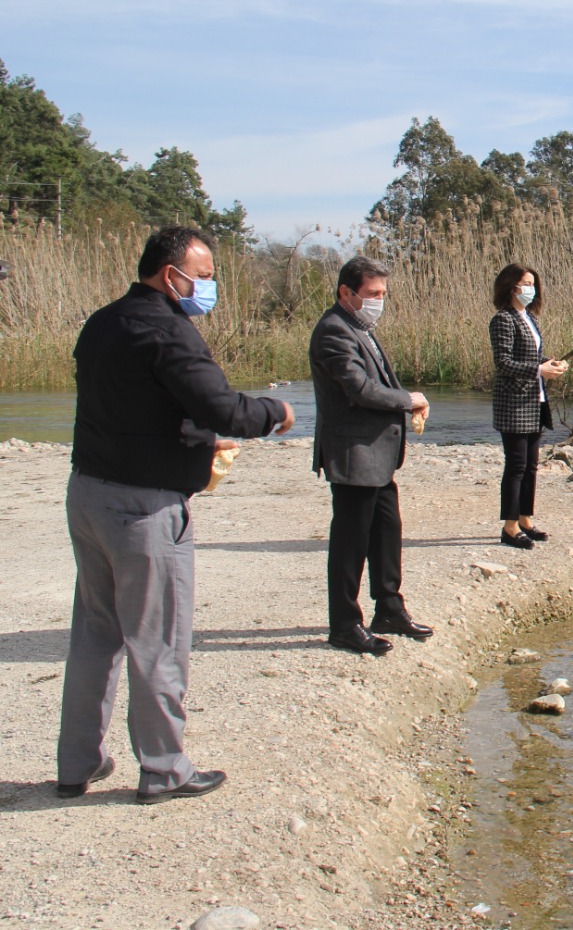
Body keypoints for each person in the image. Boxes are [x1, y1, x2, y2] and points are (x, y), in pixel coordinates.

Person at [58, 226, 294, 804]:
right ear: (172, 275)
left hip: (88, 491)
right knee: (158, 639)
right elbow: (222, 406)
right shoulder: (170, 331)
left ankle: (77, 763)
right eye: (206, 275)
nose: (210, 286)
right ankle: (164, 769)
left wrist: (188, 437)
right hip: (144, 508)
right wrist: (276, 411)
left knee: (94, 633)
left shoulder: (102, 322)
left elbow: (132, 404)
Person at [309, 256, 432, 656]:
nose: (380, 300)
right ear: (347, 292)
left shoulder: (359, 327)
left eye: (383, 293)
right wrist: (408, 399)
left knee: (386, 531)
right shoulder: (333, 331)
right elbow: (360, 389)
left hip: (376, 455)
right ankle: (344, 624)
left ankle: (389, 608)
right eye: (373, 294)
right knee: (350, 542)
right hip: (353, 453)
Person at [489, 264, 566, 548]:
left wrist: (550, 363)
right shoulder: (503, 320)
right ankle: (509, 528)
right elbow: (504, 363)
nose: (530, 289)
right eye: (525, 283)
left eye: (533, 283)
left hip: (535, 401)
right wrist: (538, 370)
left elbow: (533, 355)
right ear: (511, 286)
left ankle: (525, 519)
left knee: (531, 466)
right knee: (516, 466)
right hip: (514, 403)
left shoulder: (530, 318)